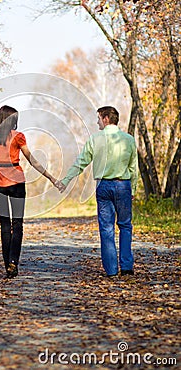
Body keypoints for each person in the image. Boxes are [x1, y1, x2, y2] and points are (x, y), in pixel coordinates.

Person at [56, 106, 138, 278]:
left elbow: (81, 162)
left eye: (99, 118)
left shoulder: (95, 139)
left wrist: (65, 181)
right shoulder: (129, 139)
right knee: (125, 226)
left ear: (106, 118)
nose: (97, 122)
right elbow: (133, 168)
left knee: (106, 229)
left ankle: (111, 271)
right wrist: (134, 189)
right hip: (123, 185)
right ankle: (127, 268)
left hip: (104, 187)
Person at [0, 105, 57, 278]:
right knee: (17, 224)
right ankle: (13, 262)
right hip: (16, 182)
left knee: (4, 225)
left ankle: (7, 264)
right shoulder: (18, 137)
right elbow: (32, 160)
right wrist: (50, 177)